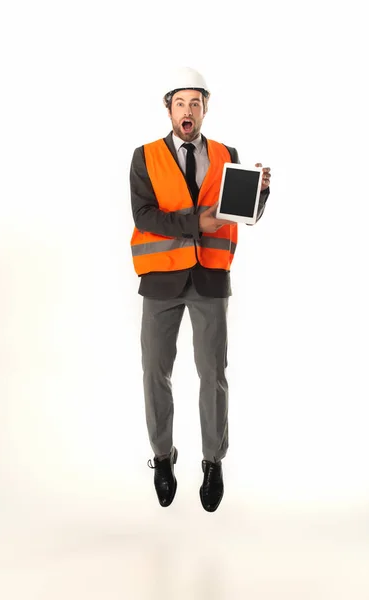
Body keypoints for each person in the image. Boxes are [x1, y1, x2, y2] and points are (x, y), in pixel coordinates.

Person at [129, 67, 271, 512]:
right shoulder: (145, 156)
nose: (187, 111)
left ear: (205, 108)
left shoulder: (228, 154)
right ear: (168, 109)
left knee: (213, 375)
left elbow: (241, 214)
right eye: (180, 103)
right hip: (160, 279)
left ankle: (213, 461)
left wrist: (261, 195)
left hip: (210, 276)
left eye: (195, 103)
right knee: (156, 372)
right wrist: (197, 223)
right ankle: (163, 456)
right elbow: (145, 216)